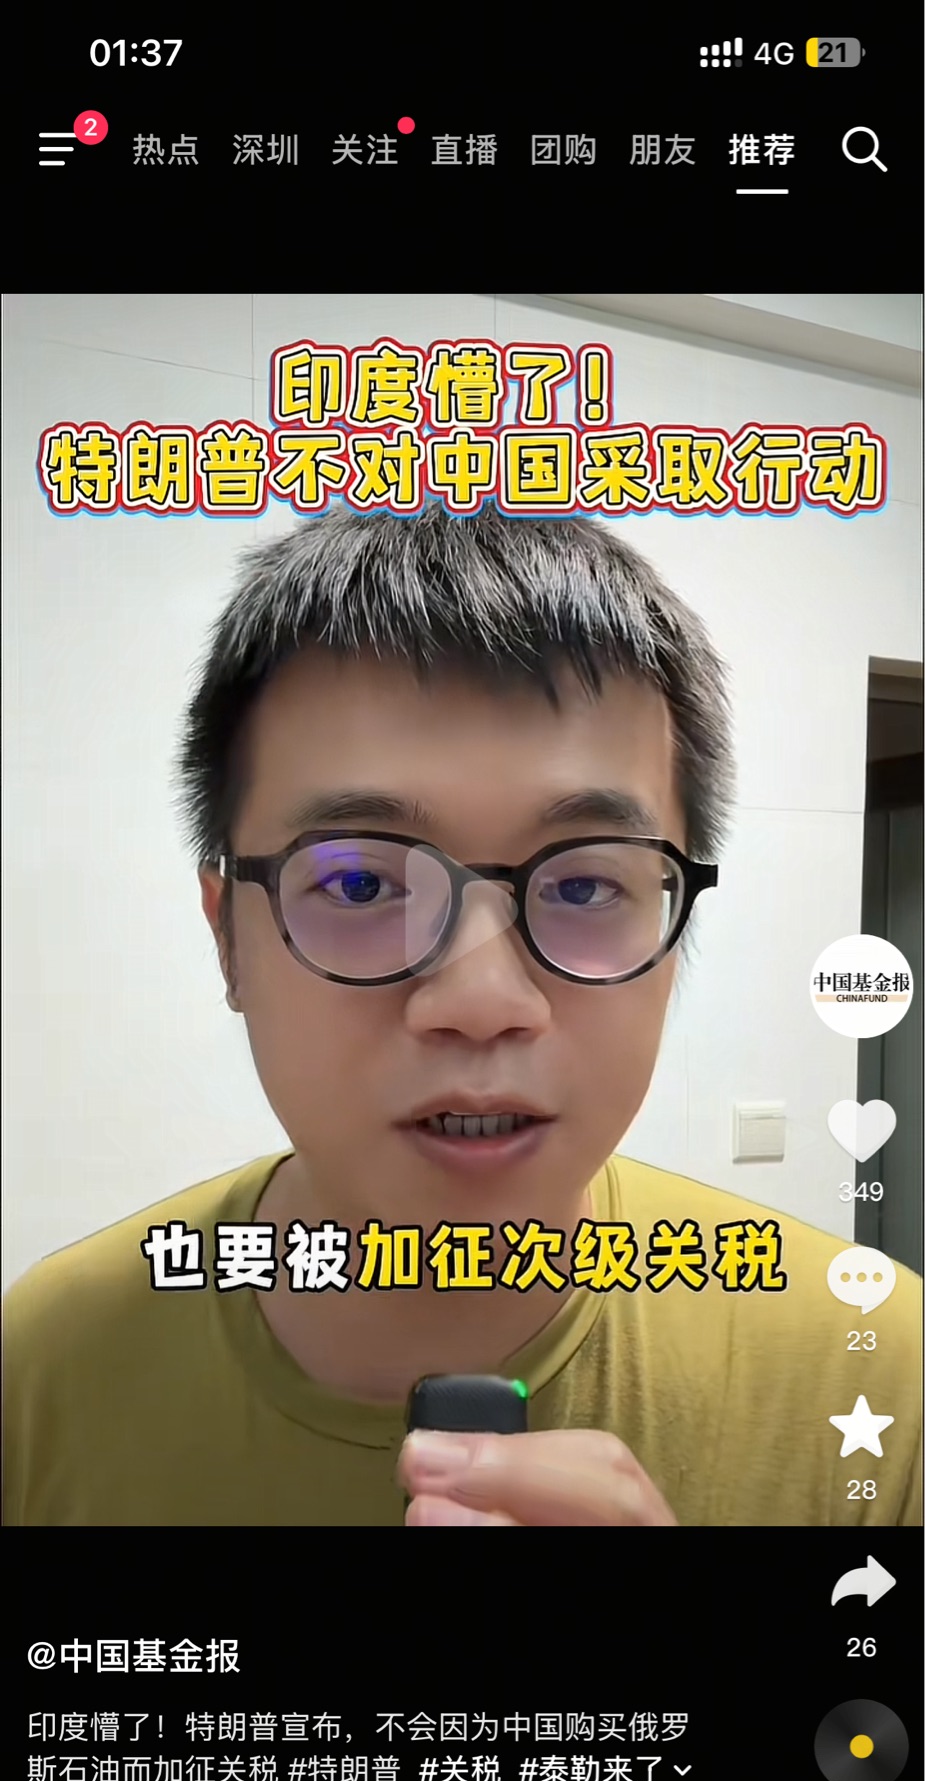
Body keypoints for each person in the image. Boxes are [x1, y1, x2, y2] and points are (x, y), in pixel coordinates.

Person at [3, 503, 921, 1526]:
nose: (483, 1003)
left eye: (583, 885)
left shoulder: (876, 1376)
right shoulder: (43, 1366)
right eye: (358, 884)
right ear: (229, 939)